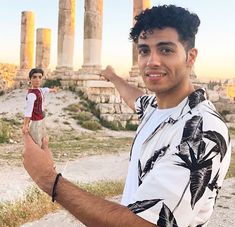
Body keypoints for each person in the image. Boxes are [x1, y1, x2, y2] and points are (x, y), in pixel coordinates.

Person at [23, 5, 231, 227]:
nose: (152, 61)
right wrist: (113, 77)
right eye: (143, 51)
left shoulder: (202, 131)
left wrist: (49, 180)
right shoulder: (156, 108)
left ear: (190, 57)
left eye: (166, 50)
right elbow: (136, 98)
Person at [22, 68, 57, 147]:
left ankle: (43, 157)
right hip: (35, 122)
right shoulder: (32, 94)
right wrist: (25, 125)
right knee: (36, 143)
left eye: (40, 77)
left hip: (41, 119)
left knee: (43, 139)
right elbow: (28, 111)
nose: (37, 80)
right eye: (34, 77)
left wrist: (53, 90)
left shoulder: (40, 90)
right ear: (30, 79)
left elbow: (45, 90)